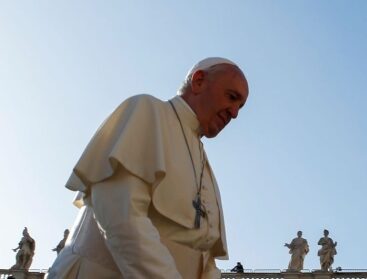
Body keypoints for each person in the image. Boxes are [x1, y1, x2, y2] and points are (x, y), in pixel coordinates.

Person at [46, 57, 249, 279]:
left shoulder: (205, 167)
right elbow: (121, 214)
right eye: (232, 97)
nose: (235, 113)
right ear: (198, 81)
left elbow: (205, 255)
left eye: (240, 106)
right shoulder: (147, 110)